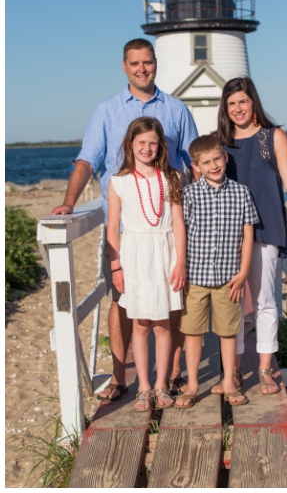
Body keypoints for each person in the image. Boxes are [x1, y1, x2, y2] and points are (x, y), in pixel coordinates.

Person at [51, 38, 198, 402]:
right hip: (126, 231)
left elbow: (195, 161)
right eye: (135, 63)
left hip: (169, 224)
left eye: (147, 62)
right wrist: (69, 203)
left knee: (172, 300)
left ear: (155, 64)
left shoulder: (177, 109)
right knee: (121, 300)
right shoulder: (106, 111)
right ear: (124, 66)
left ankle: (172, 373)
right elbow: (87, 160)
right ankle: (121, 377)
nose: (141, 69)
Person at [218, 77, 287, 396]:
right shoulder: (219, 141)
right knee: (231, 303)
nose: (237, 108)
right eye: (231, 103)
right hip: (228, 234)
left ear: (254, 104)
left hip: (264, 229)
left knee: (265, 300)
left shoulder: (272, 136)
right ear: (225, 108)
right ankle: (233, 370)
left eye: (243, 102)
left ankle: (265, 367)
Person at [106, 117, 187, 410]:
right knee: (140, 324)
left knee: (163, 323)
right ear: (131, 144)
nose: (147, 148)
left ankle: (161, 385)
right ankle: (143, 386)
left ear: (160, 146)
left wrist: (181, 263)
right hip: (134, 256)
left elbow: (178, 222)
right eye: (141, 142)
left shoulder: (173, 177)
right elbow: (112, 228)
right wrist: (116, 266)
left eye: (153, 142)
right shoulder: (119, 182)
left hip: (166, 254)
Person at [174, 136, 258, 409]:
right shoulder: (188, 195)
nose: (214, 165)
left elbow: (248, 236)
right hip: (195, 277)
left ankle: (230, 382)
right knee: (193, 332)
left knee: (227, 331)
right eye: (206, 162)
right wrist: (182, 268)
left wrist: (243, 271)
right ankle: (194, 384)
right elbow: (181, 235)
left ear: (224, 157)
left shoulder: (241, 193)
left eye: (217, 159)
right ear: (196, 166)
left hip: (229, 278)